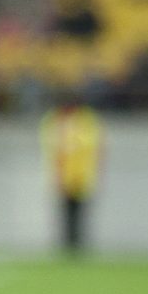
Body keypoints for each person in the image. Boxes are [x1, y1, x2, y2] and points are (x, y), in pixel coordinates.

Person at [43, 96, 102, 255]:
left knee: (78, 212)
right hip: (68, 175)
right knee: (66, 212)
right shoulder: (58, 122)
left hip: (80, 175)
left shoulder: (84, 122)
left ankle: (76, 245)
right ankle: (68, 245)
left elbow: (91, 149)